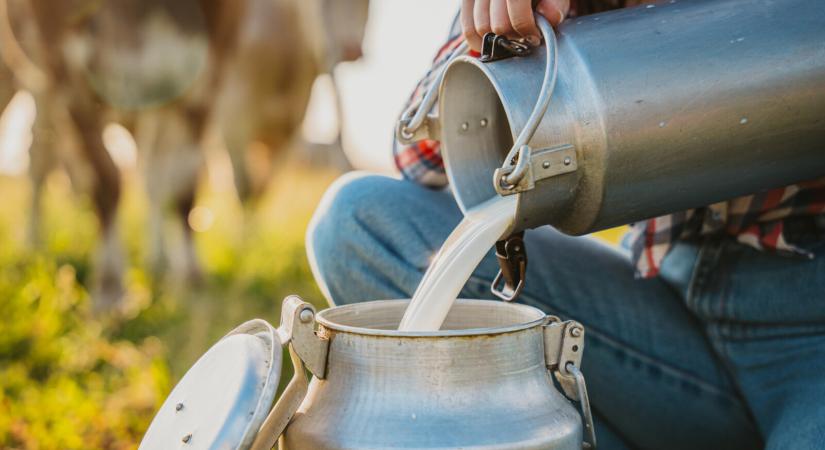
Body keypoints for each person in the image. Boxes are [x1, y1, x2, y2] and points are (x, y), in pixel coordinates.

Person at [306, 1, 825, 448]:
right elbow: (420, 156)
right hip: (669, 312)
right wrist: (507, 30)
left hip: (809, 323)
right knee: (359, 226)